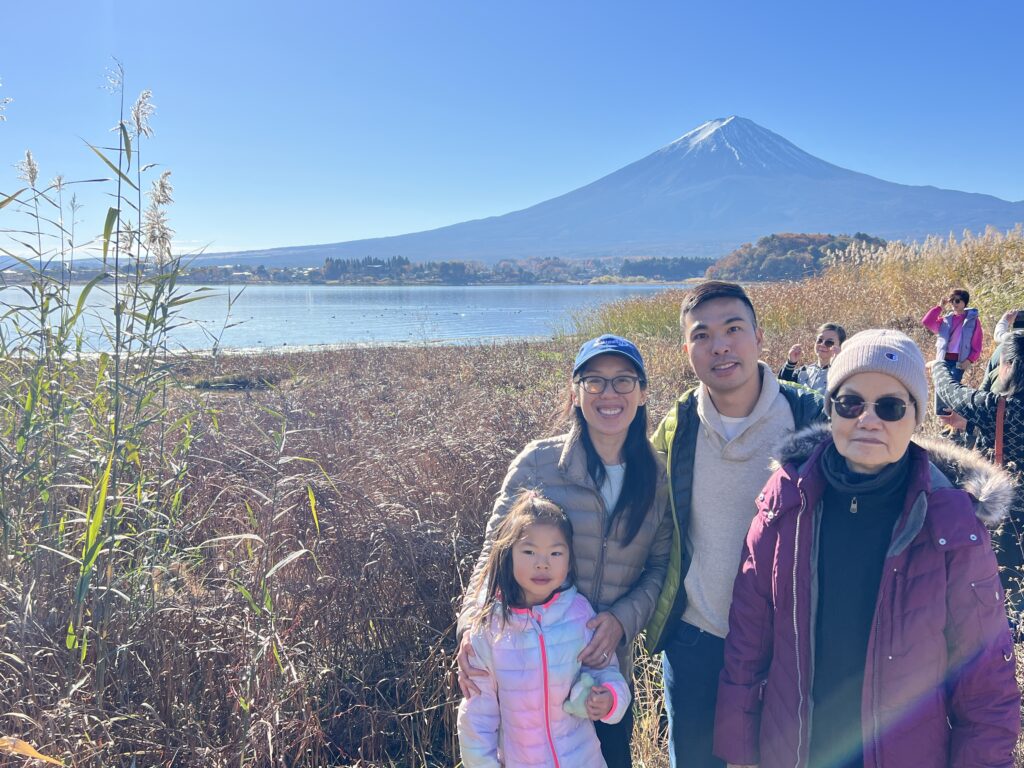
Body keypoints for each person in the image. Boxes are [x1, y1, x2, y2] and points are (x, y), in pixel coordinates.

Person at [715, 329, 1020, 768]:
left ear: (916, 419)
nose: (868, 420)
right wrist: (740, 754)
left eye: (891, 407)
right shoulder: (786, 501)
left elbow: (985, 683)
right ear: (831, 410)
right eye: (851, 403)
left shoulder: (951, 524)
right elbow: (747, 642)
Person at [457, 333, 672, 767]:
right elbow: (493, 551)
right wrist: (470, 626)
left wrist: (620, 621)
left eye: (624, 381)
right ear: (575, 393)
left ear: (643, 393)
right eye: (594, 381)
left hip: (602, 680)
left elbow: (660, 565)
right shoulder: (538, 463)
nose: (609, 394)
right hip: (524, 682)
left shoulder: (657, 476)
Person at [642, 281, 824, 768]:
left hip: (789, 644)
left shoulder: (811, 418)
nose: (720, 345)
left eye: (733, 329)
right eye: (702, 335)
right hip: (696, 639)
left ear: (759, 338)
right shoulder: (676, 426)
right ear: (688, 351)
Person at [457, 491, 631, 767]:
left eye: (555, 552)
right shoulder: (490, 628)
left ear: (570, 559)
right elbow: (477, 717)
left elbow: (605, 670)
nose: (542, 563)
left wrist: (609, 699)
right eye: (529, 552)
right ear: (508, 554)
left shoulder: (579, 613)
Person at [932, 329, 1024, 630]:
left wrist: (940, 365)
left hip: (1009, 514)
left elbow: (951, 391)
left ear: (1007, 366)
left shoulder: (995, 405)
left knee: (1007, 580)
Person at [921, 288, 983, 414]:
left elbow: (977, 343)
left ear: (964, 303)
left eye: (957, 301)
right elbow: (927, 322)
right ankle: (944, 420)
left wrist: (970, 359)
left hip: (959, 361)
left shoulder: (973, 321)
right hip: (943, 359)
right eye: (952, 301)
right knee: (941, 386)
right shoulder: (946, 320)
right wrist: (940, 307)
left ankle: (952, 420)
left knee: (952, 387)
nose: (954, 304)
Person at [778, 322, 846, 395]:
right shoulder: (803, 372)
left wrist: (838, 363)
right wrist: (791, 362)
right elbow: (782, 389)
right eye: (820, 340)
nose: (822, 344)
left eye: (829, 342)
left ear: (840, 346)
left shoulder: (844, 374)